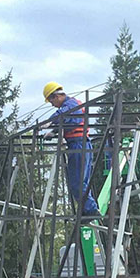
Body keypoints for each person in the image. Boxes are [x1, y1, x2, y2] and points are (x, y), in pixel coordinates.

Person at [42, 82, 101, 216]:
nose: (52, 105)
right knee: (81, 182)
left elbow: (67, 116)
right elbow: (69, 122)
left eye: (51, 101)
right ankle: (87, 210)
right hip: (81, 144)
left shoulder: (71, 105)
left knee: (77, 182)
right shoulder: (72, 105)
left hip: (78, 145)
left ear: (56, 96)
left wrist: (51, 121)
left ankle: (91, 210)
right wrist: (54, 131)